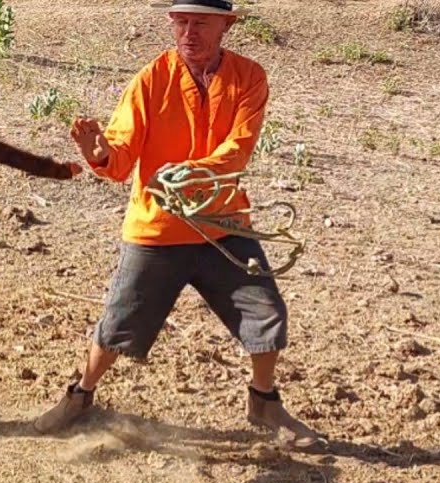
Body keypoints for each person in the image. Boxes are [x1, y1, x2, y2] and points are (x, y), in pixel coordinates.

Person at [33, 0, 322, 448]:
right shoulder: (150, 80)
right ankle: (81, 395)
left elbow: (238, 148)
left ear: (225, 26)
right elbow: (122, 153)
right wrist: (100, 153)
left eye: (201, 23)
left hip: (224, 223)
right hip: (158, 228)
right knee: (117, 324)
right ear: (172, 24)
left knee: (266, 312)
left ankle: (263, 402)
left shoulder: (250, 77)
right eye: (182, 22)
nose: (189, 32)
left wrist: (189, 174)